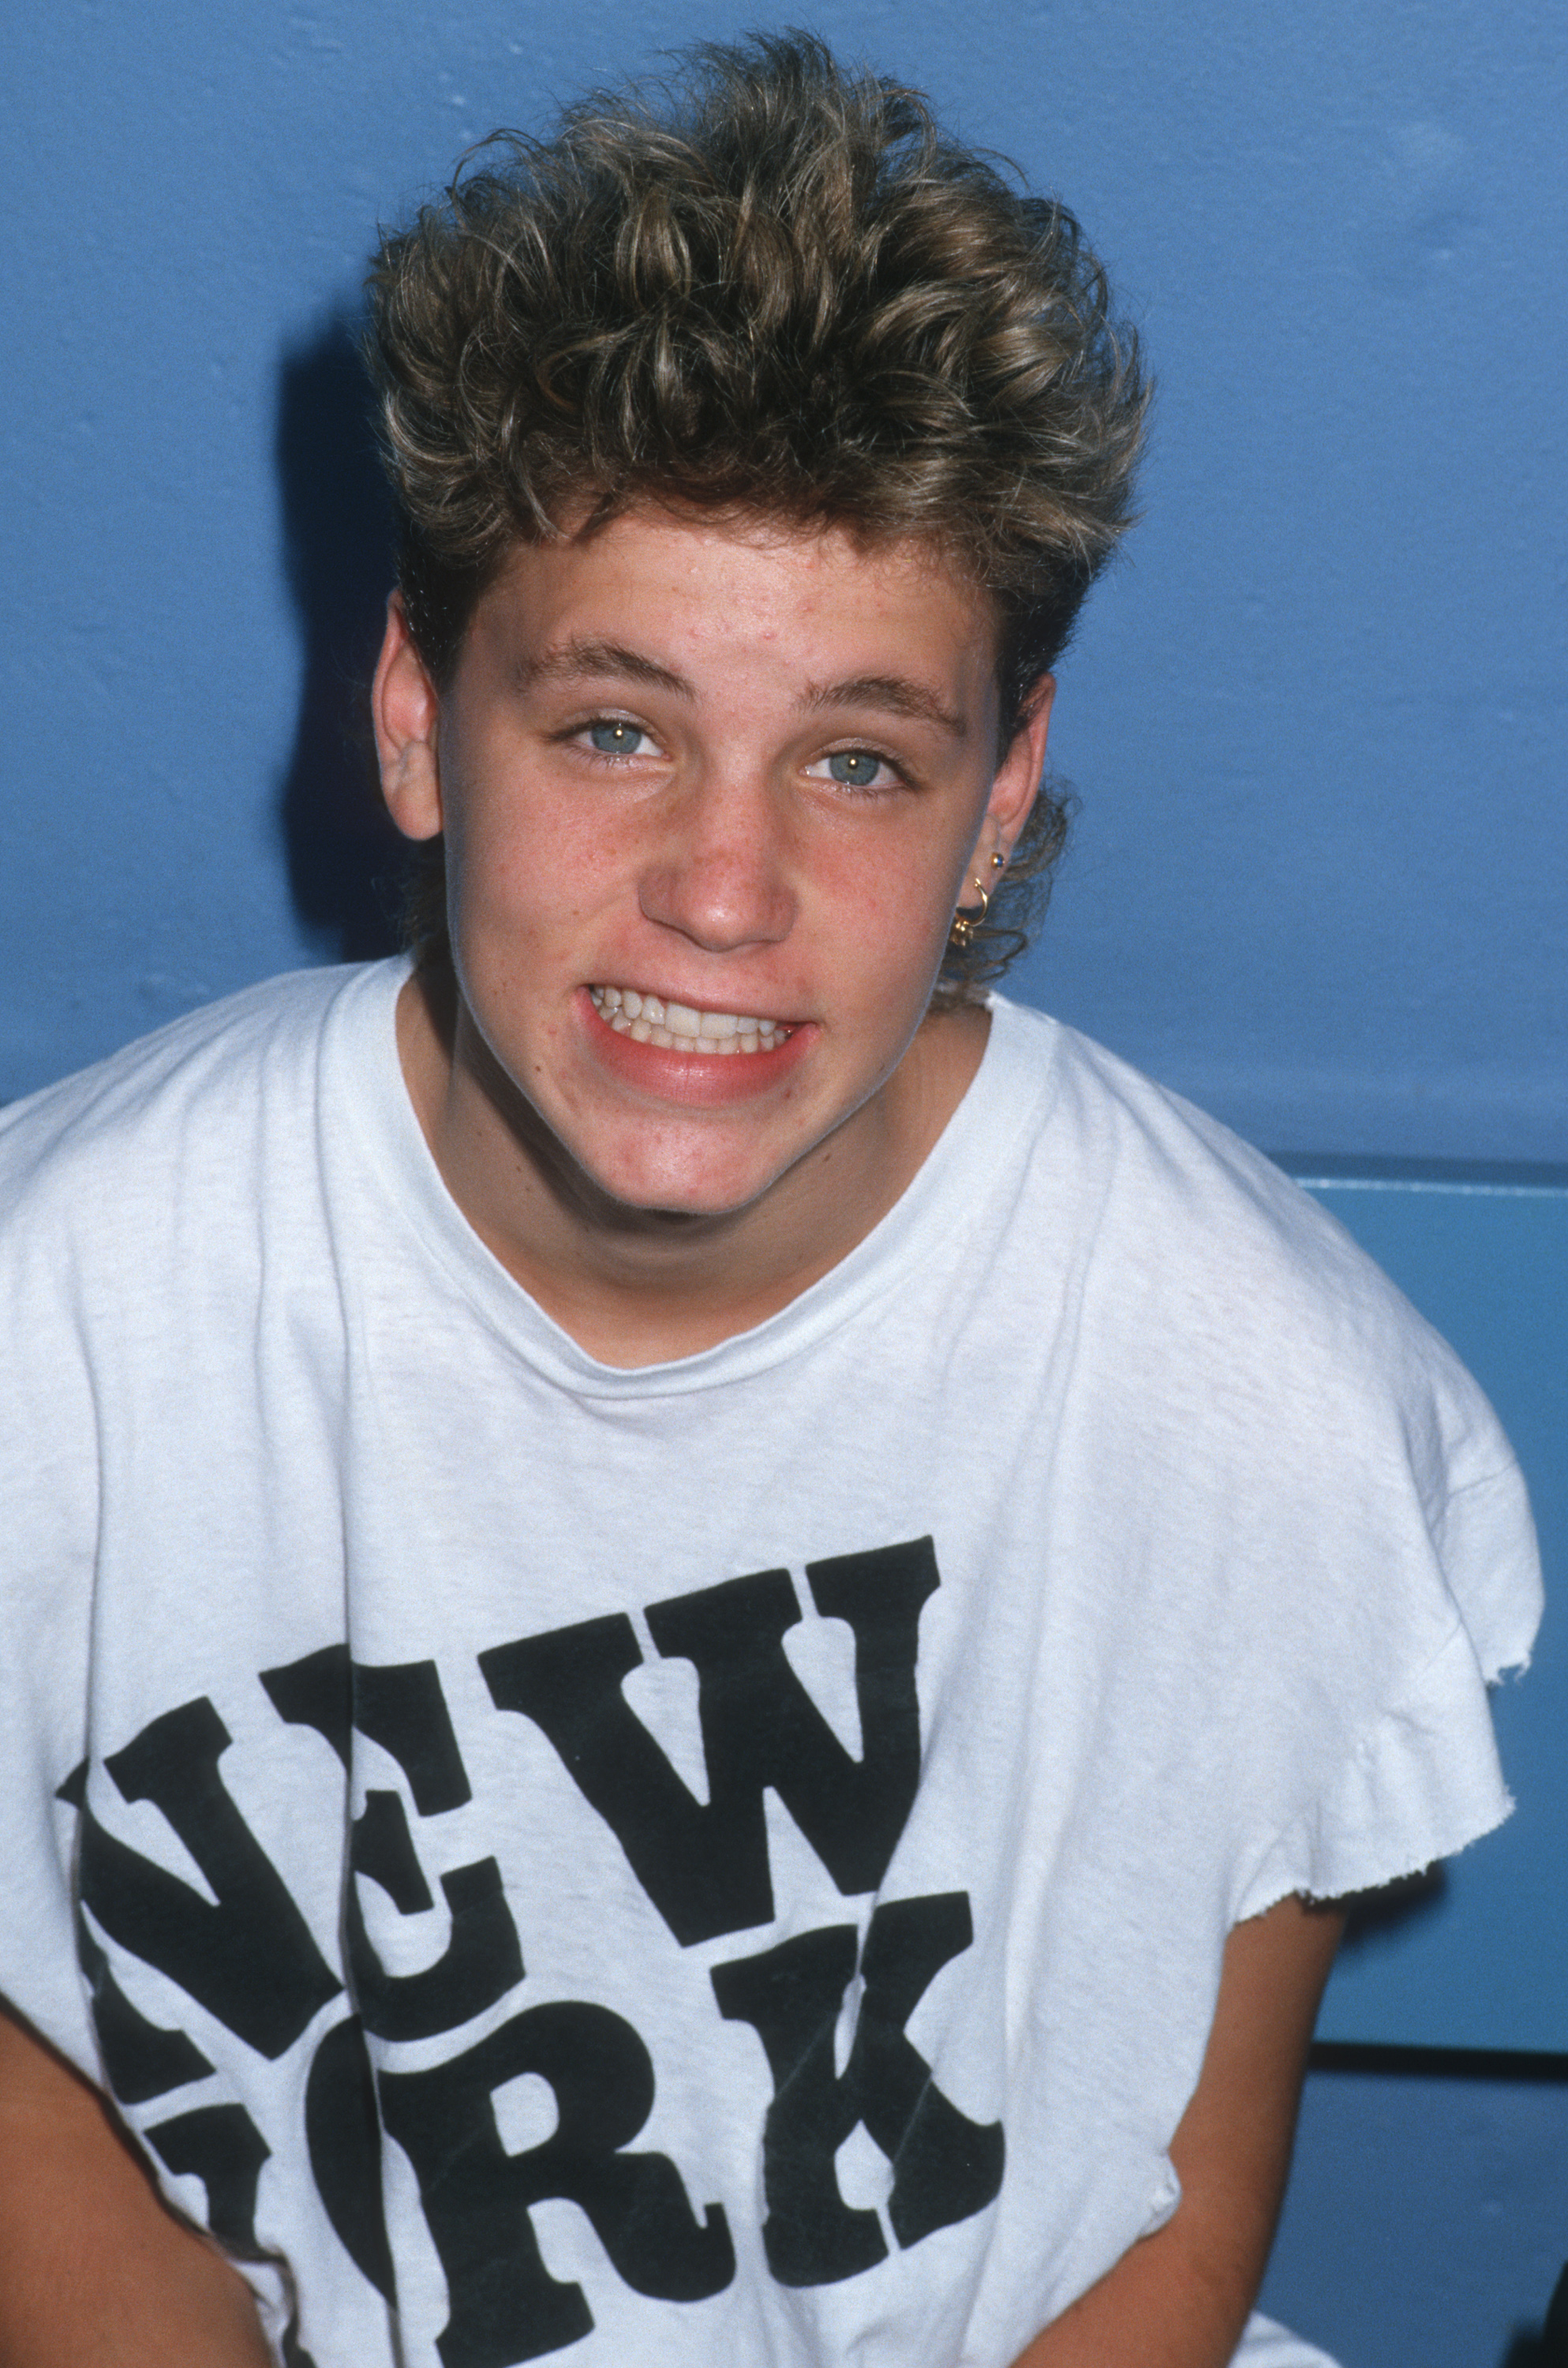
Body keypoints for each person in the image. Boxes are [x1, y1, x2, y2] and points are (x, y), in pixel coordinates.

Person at [0, 33, 1540, 2368]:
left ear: (999, 793)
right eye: (613, 728)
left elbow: (1159, 2232)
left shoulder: (1255, 1398)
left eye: (856, 759)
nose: (723, 891)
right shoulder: (63, 1320)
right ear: (415, 713)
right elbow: (36, 2097)